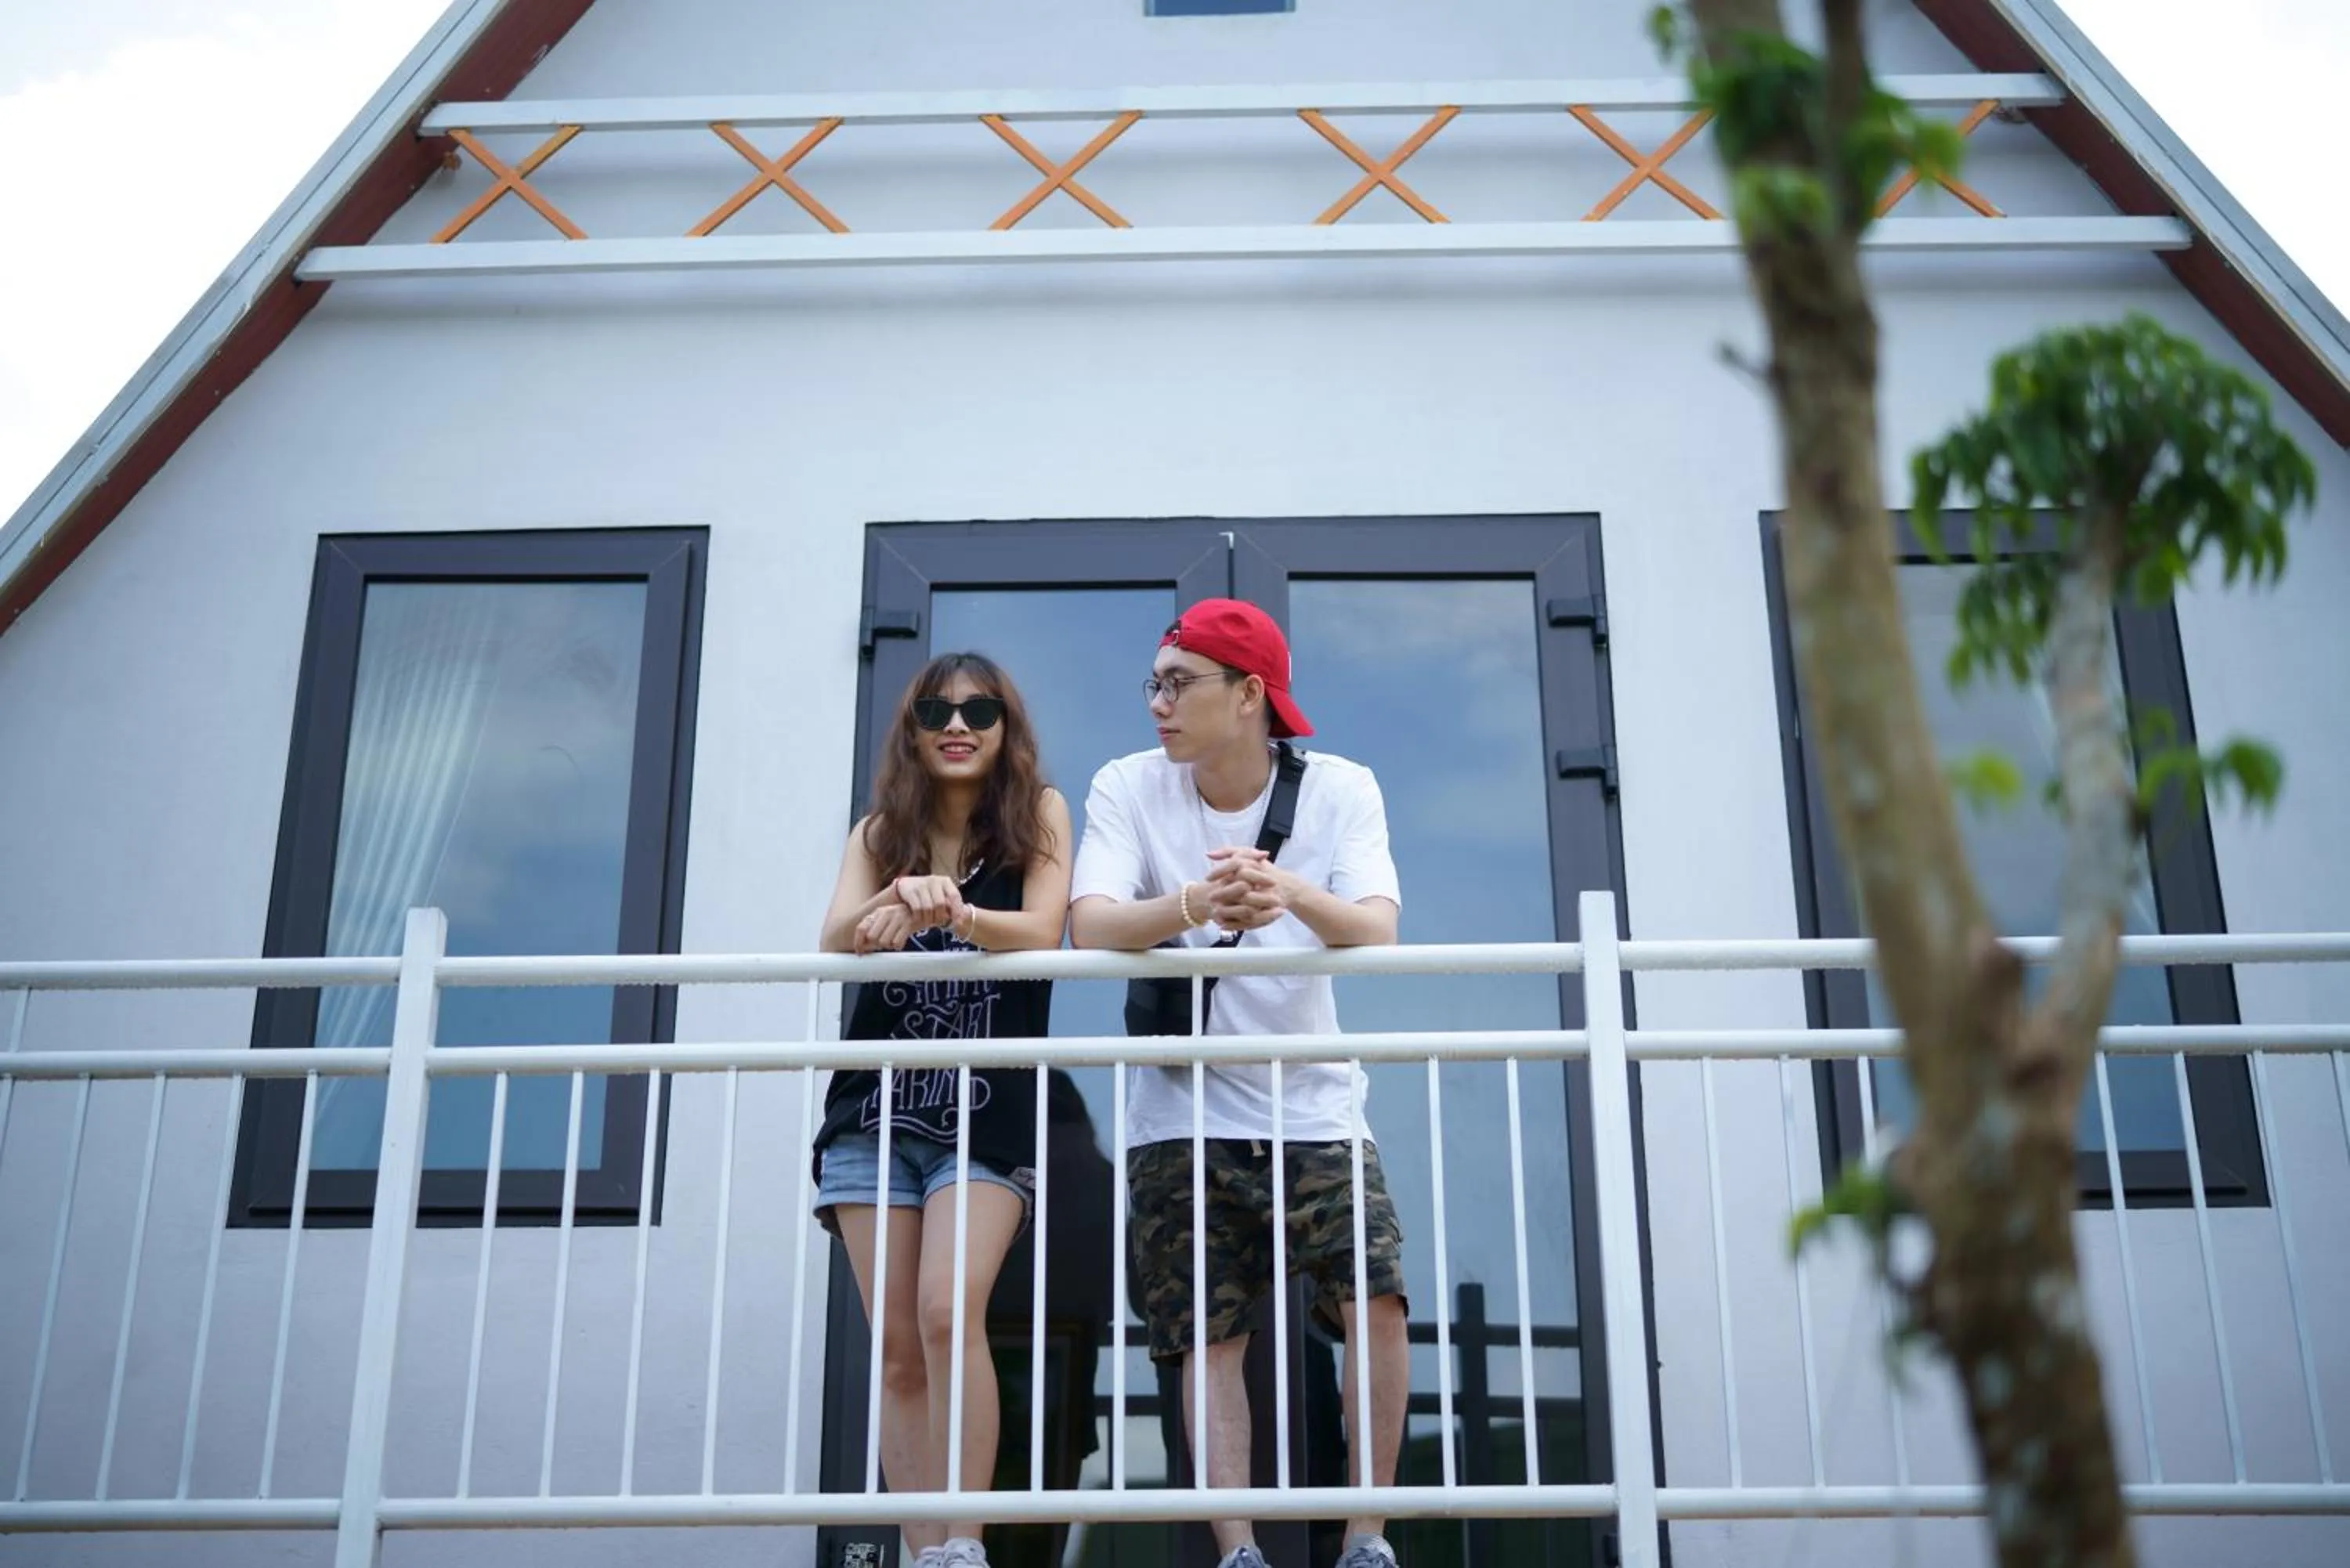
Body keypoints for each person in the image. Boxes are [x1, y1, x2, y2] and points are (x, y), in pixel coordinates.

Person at [1068, 599, 1408, 1568]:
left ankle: (1368, 1539)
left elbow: (1377, 930)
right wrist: (1192, 902)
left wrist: (1283, 889)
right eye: (1156, 682)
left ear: (1250, 694)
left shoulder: (1342, 789)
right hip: (1178, 1110)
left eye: (1180, 682)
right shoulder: (1128, 786)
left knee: (1375, 1294)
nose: (1158, 704)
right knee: (1205, 1329)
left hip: (1316, 1104)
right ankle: (1239, 1551)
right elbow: (1090, 924)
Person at [815, 652, 1075, 1568]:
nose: (957, 723)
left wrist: (952, 912)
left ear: (1006, 727)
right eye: (937, 708)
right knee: (894, 1346)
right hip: (874, 1112)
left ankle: (964, 1542)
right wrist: (899, 894)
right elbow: (836, 936)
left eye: (979, 709)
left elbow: (1044, 933)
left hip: (988, 1107)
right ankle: (923, 1550)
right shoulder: (879, 831)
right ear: (913, 729)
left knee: (946, 1309)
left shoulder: (1038, 812)